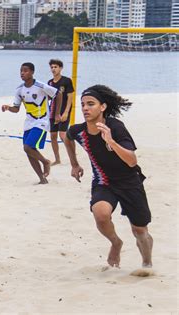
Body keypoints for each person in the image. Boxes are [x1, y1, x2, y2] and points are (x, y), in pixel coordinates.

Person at [64, 85, 153, 269]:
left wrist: (111, 141)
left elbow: (131, 161)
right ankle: (116, 243)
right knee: (101, 214)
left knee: (139, 230)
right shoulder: (79, 130)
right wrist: (74, 164)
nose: (85, 108)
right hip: (103, 181)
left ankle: (146, 262)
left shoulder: (116, 127)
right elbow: (67, 137)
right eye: (83, 105)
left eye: (91, 104)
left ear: (102, 107)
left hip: (129, 182)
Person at [1, 62, 62, 184]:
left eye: (26, 71)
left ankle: (45, 162)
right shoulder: (19, 90)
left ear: (32, 72)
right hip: (29, 123)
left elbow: (58, 94)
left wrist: (56, 113)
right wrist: (8, 108)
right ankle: (42, 179)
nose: (22, 73)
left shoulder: (41, 86)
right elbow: (16, 109)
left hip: (42, 122)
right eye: (21, 71)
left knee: (27, 147)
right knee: (29, 151)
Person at [47, 59, 74, 166]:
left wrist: (66, 112)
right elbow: (48, 97)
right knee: (53, 136)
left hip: (63, 111)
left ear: (61, 68)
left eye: (55, 67)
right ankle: (57, 159)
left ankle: (73, 157)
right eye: (52, 67)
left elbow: (70, 97)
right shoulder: (49, 82)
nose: (53, 69)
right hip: (53, 111)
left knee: (63, 135)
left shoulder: (66, 81)